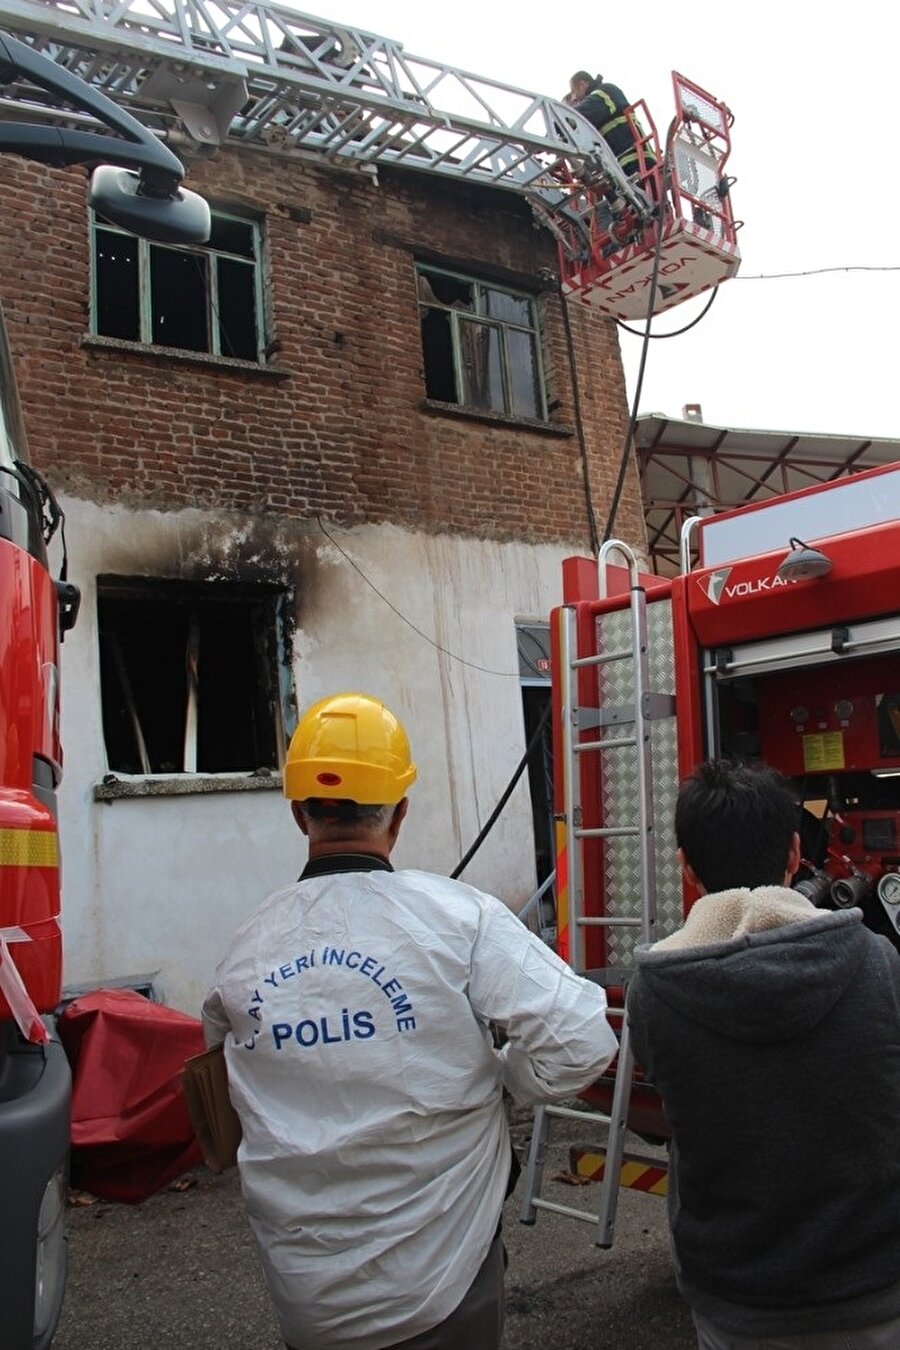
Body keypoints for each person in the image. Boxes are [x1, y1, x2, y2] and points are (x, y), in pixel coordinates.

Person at [202, 692, 618, 1350]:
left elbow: (225, 1088)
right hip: (441, 1285)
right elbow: (584, 1041)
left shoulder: (243, 950)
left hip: (304, 1298)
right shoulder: (461, 920)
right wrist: (506, 1077)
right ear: (398, 815)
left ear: (296, 813)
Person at [626, 758, 900, 1350]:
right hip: (879, 1291)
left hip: (736, 1303)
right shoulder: (879, 964)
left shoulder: (653, 994)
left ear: (686, 868)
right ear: (796, 853)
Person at [568, 70, 655, 178]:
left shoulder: (605, 91)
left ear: (582, 84)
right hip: (624, 165)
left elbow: (583, 113)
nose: (574, 98)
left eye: (573, 91)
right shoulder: (598, 109)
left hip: (636, 160)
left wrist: (559, 122)